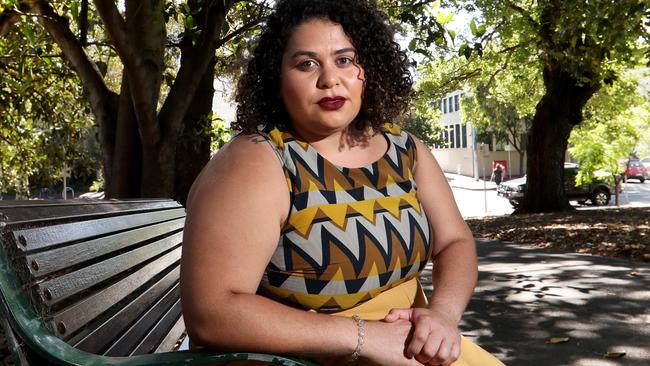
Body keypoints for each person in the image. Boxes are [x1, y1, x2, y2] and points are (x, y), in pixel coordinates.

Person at [180, 1, 504, 365]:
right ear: (276, 77)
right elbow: (211, 314)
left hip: (410, 347)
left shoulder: (406, 150)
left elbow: (455, 242)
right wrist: (366, 338)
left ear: (370, 68)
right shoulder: (257, 160)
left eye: (345, 60)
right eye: (306, 64)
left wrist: (442, 315)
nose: (329, 79)